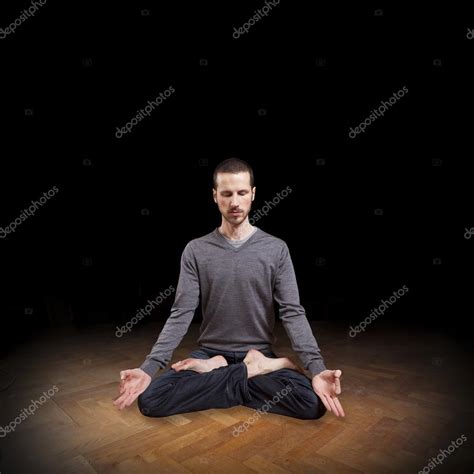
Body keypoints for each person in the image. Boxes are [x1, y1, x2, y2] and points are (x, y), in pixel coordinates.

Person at [113, 158, 345, 419]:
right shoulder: (196, 250)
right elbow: (181, 313)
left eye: (242, 193)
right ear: (215, 196)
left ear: (253, 194)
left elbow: (292, 312)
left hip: (259, 354)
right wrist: (148, 368)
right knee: (152, 400)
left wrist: (316, 368)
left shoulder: (276, 249)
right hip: (212, 353)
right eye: (226, 194)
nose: (235, 202)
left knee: (311, 403)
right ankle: (249, 370)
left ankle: (227, 371)